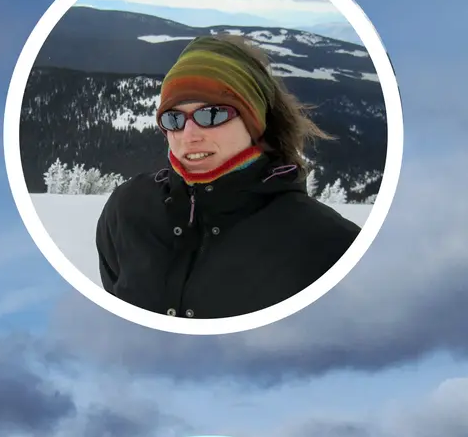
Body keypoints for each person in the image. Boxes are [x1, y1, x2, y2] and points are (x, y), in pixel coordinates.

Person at [94, 34, 361, 320]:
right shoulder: (128, 209)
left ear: (254, 121)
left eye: (212, 115)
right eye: (174, 119)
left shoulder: (329, 245)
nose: (189, 135)